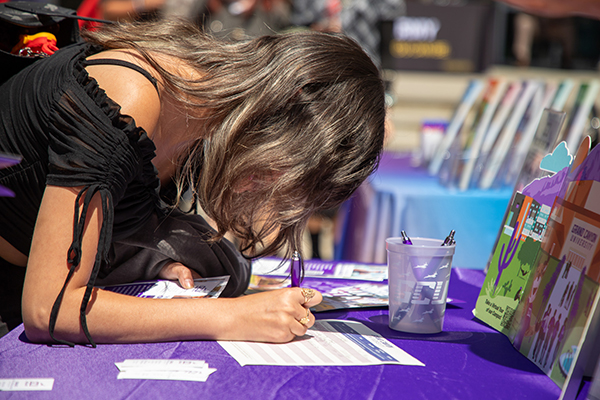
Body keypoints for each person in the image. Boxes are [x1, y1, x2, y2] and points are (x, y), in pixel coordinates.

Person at [0, 17, 386, 345]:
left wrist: (150, 262)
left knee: (225, 267)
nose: (269, 189)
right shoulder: (130, 97)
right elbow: (48, 308)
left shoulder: (204, 116)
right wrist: (227, 317)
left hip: (26, 265)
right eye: (288, 172)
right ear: (284, 117)